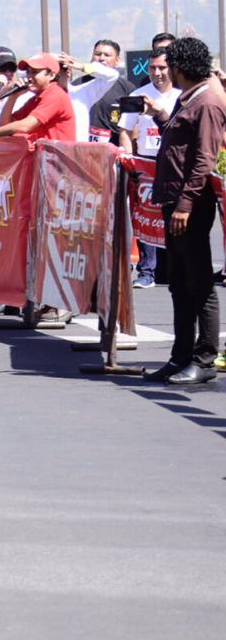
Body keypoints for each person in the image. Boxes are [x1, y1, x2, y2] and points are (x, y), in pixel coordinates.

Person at [141, 37, 223, 386]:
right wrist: (161, 117)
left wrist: (186, 203)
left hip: (191, 204)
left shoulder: (206, 101)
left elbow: (204, 157)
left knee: (198, 282)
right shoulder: (188, 98)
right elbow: (180, 143)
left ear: (180, 67)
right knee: (178, 283)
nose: (165, 72)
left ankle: (203, 359)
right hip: (174, 200)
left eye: (169, 65)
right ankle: (180, 355)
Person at [0, 52, 80, 324]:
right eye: (27, 70)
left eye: (35, 71)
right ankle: (47, 302)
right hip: (42, 175)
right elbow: (7, 124)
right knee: (41, 240)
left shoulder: (54, 95)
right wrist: (13, 96)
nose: (28, 75)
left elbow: (25, 126)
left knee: (57, 239)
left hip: (59, 177)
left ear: (51, 75)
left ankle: (61, 303)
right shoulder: (38, 97)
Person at [119, 48, 181, 289]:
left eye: (162, 68)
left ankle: (174, 269)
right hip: (145, 162)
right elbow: (125, 129)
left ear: (172, 68)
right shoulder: (138, 95)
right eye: (152, 68)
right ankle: (147, 271)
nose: (157, 73)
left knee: (172, 218)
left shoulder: (181, 95)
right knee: (145, 216)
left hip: (173, 165)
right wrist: (128, 155)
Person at [74, 39, 134, 144]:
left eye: (107, 55)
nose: (101, 58)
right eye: (97, 54)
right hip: (82, 147)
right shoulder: (77, 85)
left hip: (113, 150)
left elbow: (134, 124)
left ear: (117, 60)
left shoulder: (127, 89)